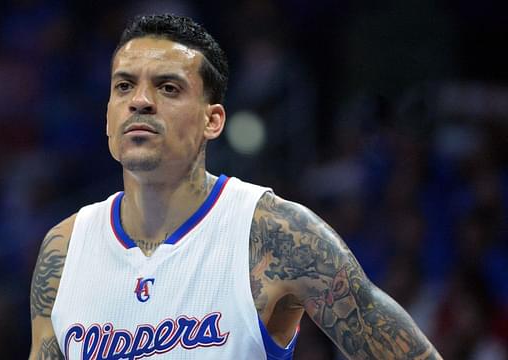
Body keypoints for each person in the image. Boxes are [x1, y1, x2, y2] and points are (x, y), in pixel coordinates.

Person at [29, 14, 442, 360]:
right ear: (107, 119)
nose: (140, 101)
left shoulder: (276, 235)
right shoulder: (64, 250)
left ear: (213, 121)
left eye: (168, 87)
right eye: (124, 86)